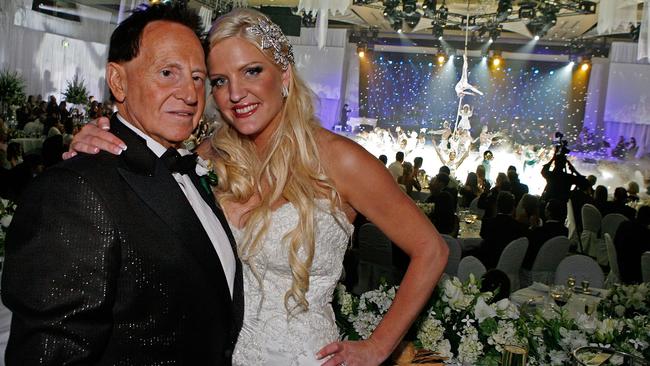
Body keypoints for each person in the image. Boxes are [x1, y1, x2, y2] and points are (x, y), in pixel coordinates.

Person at [66, 9, 448, 366]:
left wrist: (379, 346)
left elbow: (431, 249)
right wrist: (99, 146)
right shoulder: (207, 157)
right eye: (219, 81)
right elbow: (141, 196)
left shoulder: (339, 160)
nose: (236, 93)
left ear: (283, 76)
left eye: (251, 71)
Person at [2, 5, 243, 364]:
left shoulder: (193, 167)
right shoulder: (74, 191)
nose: (190, 94)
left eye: (197, 77)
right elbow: (51, 352)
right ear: (118, 81)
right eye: (167, 73)